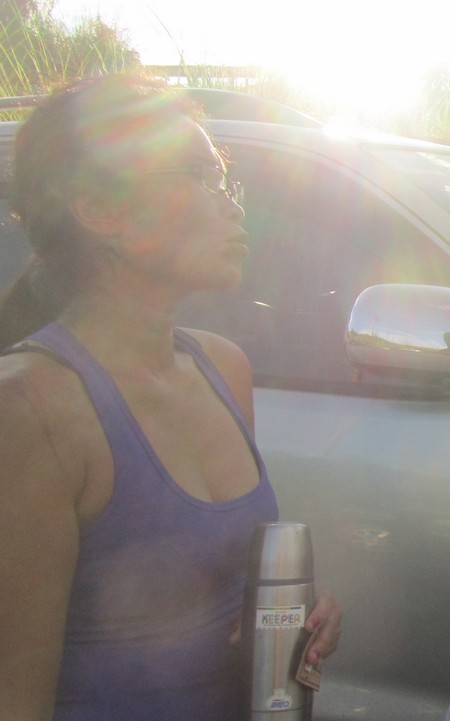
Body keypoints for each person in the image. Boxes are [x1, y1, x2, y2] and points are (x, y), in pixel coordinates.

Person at [0, 74, 341, 720]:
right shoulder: (31, 410)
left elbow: (221, 593)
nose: (231, 206)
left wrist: (291, 617)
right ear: (99, 210)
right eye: (200, 176)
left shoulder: (223, 368)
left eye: (225, 180)